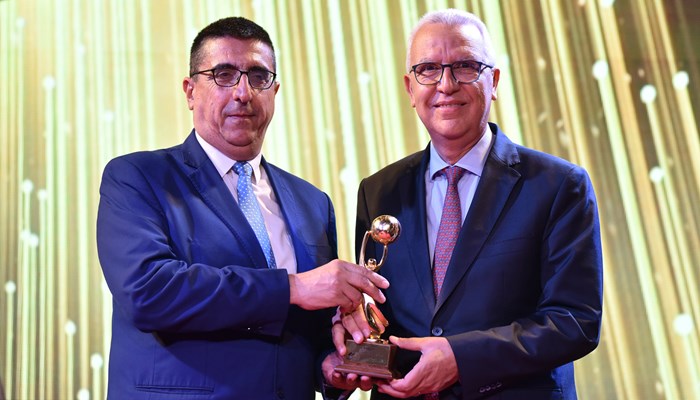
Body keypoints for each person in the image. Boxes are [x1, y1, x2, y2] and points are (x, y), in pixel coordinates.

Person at [96, 16, 388, 400]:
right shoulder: (138, 177)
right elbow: (149, 292)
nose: (243, 92)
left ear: (275, 91)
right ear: (189, 91)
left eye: (258, 76)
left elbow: (308, 327)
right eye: (223, 74)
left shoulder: (313, 203)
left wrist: (330, 368)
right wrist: (293, 287)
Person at [333, 9, 603, 400]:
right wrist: (352, 331)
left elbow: (575, 320)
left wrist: (461, 358)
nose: (446, 84)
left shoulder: (559, 185)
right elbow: (378, 312)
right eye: (428, 69)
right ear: (410, 89)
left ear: (493, 81)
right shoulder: (378, 190)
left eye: (464, 66)